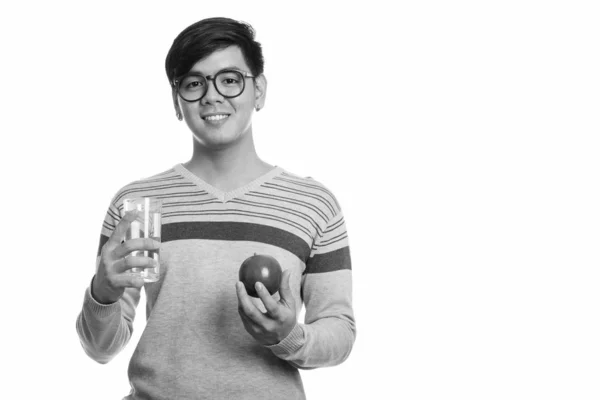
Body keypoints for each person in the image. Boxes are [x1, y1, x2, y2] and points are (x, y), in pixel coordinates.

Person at [76, 17, 356, 400]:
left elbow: (339, 332)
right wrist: (103, 294)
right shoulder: (137, 206)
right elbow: (100, 348)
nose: (212, 95)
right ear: (177, 102)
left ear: (259, 90)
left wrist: (288, 335)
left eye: (229, 79)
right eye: (194, 83)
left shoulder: (312, 204)